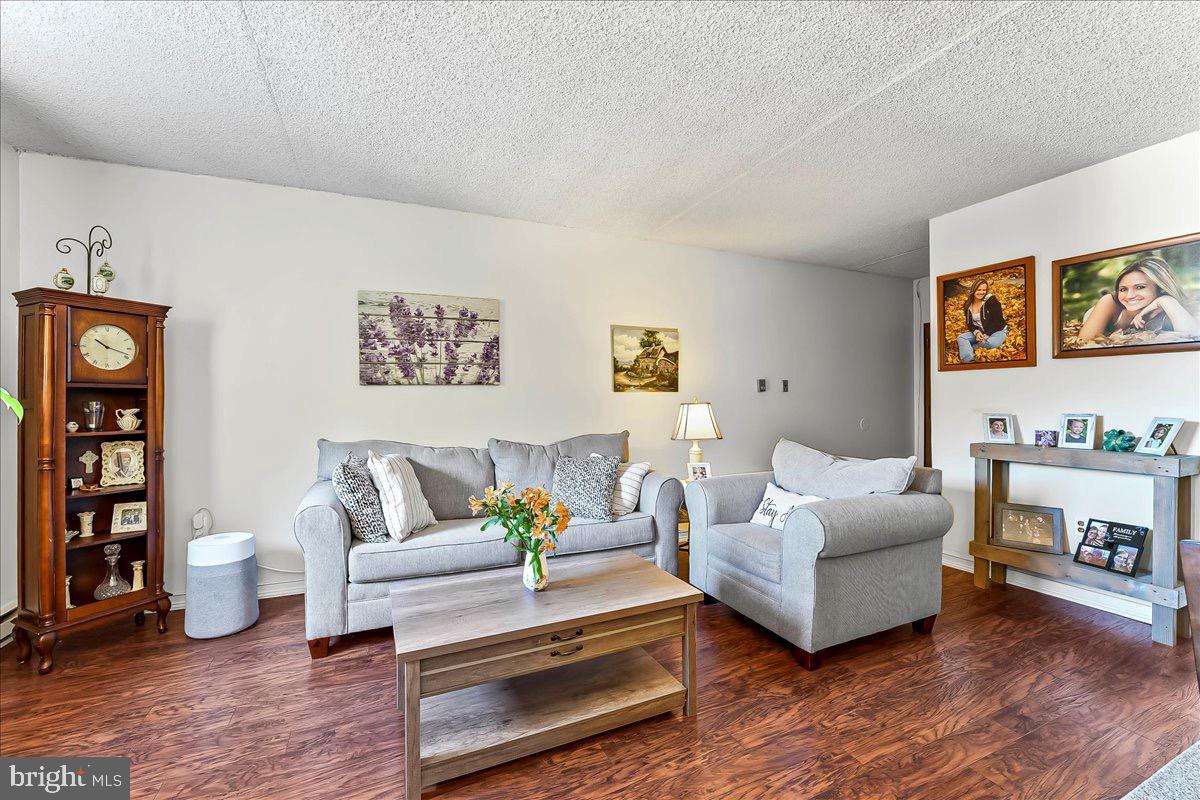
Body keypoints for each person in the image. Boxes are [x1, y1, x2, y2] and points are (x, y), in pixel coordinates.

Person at [1077, 257, 1199, 341]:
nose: (1129, 295)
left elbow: (1194, 336)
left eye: (1140, 287)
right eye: (1123, 289)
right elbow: (1084, 342)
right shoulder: (1109, 302)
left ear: (1160, 288)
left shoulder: (1167, 308)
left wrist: (1166, 300)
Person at [956, 279, 1007, 363]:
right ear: (973, 290)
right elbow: (969, 324)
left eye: (984, 290)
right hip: (981, 331)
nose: (982, 292)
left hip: (998, 330)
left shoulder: (991, 300)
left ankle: (970, 347)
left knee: (991, 344)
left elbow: (998, 321)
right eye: (979, 290)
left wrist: (986, 334)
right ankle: (968, 360)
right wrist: (976, 333)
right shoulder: (967, 304)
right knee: (961, 337)